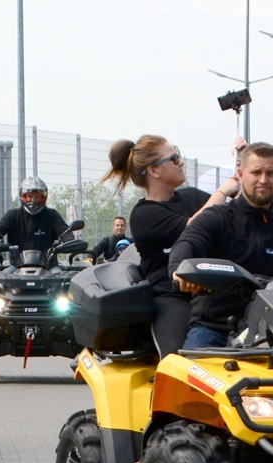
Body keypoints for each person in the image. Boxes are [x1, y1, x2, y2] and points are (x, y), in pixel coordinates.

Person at [100, 135, 243, 357]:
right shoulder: (144, 214)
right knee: (175, 358)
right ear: (154, 170)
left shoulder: (192, 196)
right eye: (174, 158)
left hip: (211, 292)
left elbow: (239, 212)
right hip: (173, 295)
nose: (181, 162)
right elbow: (195, 227)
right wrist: (221, 192)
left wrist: (244, 165)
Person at [169, 141, 273, 349]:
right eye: (256, 172)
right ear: (240, 175)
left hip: (271, 333)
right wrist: (179, 272)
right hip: (214, 329)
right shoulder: (215, 218)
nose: (263, 179)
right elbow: (186, 245)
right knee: (188, 368)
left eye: (271, 173)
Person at [0, 176, 73, 265]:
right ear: (22, 196)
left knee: (60, 272)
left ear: (44, 197)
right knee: (4, 272)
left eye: (37, 197)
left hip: (48, 266)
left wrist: (71, 242)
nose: (33, 200)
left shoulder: (52, 215)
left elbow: (64, 231)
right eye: (29, 196)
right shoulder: (13, 215)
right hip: (16, 266)